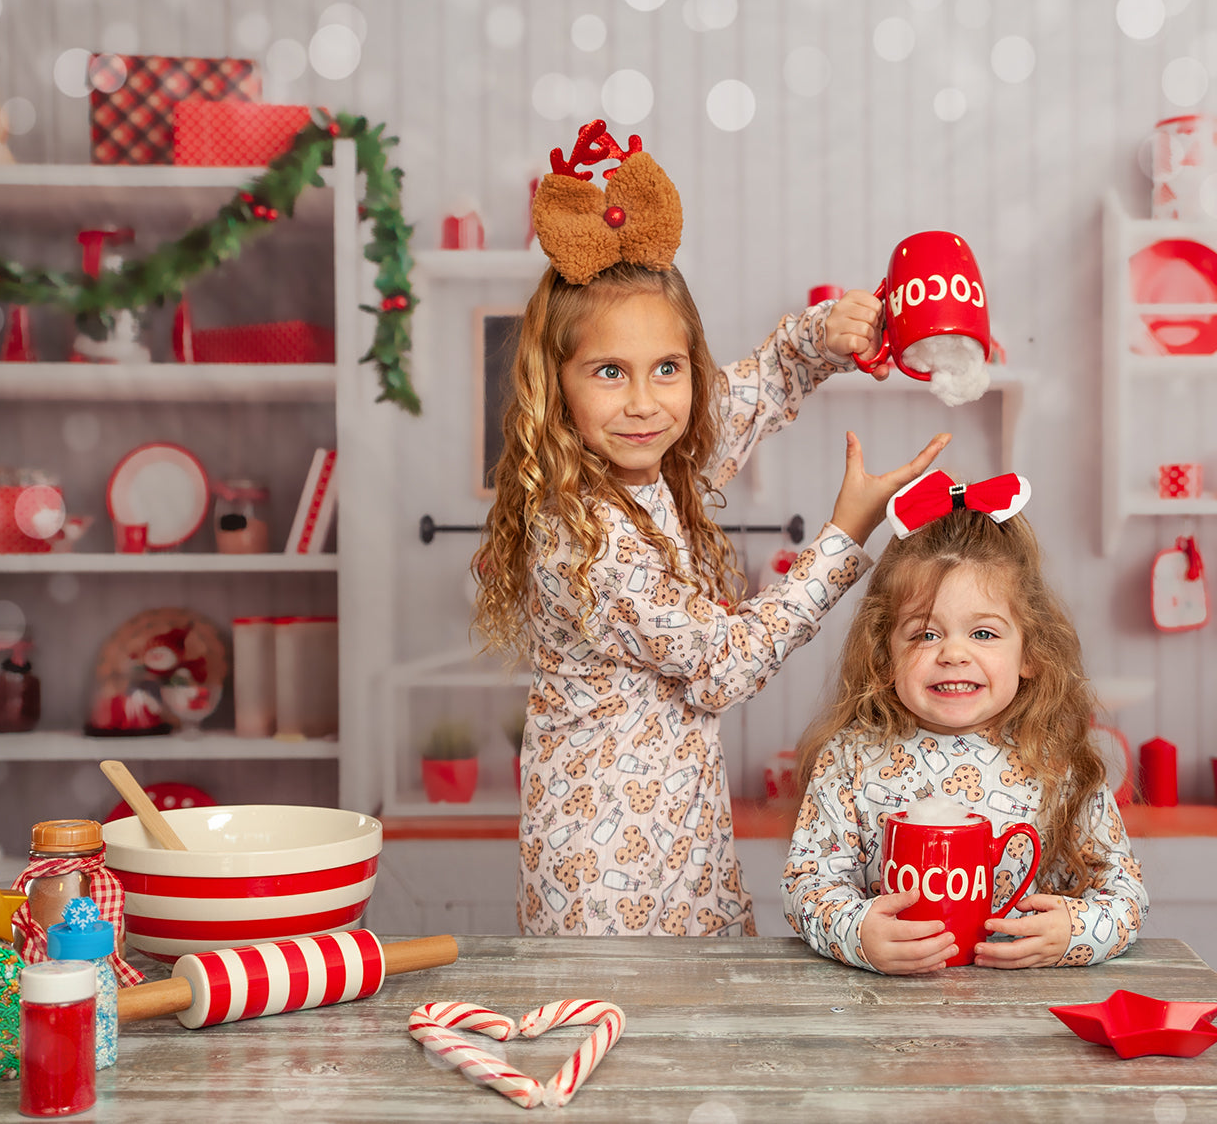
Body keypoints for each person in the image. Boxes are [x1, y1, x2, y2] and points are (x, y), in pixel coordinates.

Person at [472, 119, 950, 938]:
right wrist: (843, 536)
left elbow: (756, 388)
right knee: (623, 1043)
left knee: (695, 1038)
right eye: (608, 372)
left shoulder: (654, 461)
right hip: (604, 864)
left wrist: (823, 334)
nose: (644, 401)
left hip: (681, 835)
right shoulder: (582, 534)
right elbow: (725, 665)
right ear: (558, 386)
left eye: (668, 368)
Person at [781, 471, 1147, 973]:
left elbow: (1126, 896)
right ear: (884, 654)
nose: (954, 653)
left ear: (1030, 653)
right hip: (881, 1014)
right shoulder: (850, 759)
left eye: (983, 633)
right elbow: (808, 886)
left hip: (1024, 1019)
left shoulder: (1055, 761)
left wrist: (1072, 933)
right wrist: (860, 933)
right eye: (926, 635)